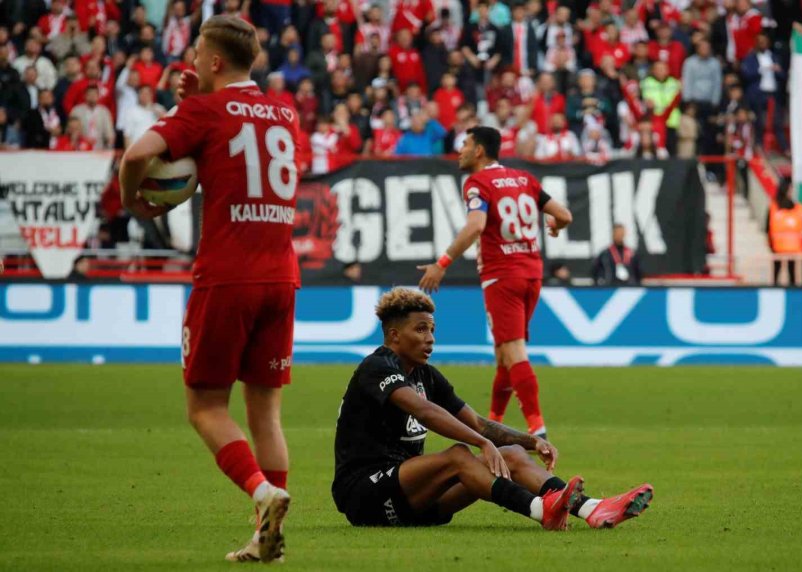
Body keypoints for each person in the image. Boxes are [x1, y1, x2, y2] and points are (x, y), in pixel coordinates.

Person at [118, 16, 305, 563]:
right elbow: (228, 152)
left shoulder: (201, 110)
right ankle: (263, 534)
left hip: (227, 275)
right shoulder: (285, 113)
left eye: (198, 53)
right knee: (265, 411)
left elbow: (136, 156)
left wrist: (135, 201)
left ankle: (261, 492)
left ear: (215, 61)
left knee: (204, 406)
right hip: (281, 275)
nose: (193, 61)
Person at [332, 287, 654, 528]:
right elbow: (426, 413)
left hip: (414, 501)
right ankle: (543, 512)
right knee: (458, 455)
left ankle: (592, 509)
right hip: (365, 496)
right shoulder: (377, 367)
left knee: (512, 454)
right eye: (420, 329)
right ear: (394, 335)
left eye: (432, 330)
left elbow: (478, 423)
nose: (430, 338)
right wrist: (481, 444)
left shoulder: (425, 375)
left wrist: (531, 441)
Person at [418, 127, 573, 439]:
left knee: (514, 351)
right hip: (532, 275)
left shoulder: (478, 183)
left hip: (502, 276)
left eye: (464, 143)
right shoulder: (524, 179)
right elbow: (564, 215)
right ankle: (493, 426)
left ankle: (537, 432)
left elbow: (476, 225)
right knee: (504, 354)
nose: (459, 149)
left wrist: (442, 263)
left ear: (478, 151)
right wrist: (556, 225)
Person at [768, 179, 802, 285]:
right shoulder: (774, 206)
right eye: (790, 189)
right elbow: (768, 226)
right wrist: (770, 243)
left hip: (793, 247)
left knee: (792, 273)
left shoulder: (796, 207)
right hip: (777, 247)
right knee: (776, 273)